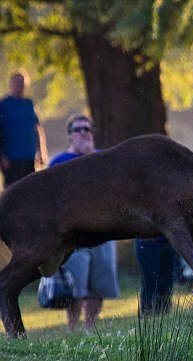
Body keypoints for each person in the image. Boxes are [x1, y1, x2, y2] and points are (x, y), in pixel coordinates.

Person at [49, 114, 119, 331]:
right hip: (73, 234)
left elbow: (114, 188)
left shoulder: (102, 158)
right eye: (78, 129)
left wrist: (90, 156)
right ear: (69, 134)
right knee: (75, 285)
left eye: (87, 129)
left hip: (102, 232)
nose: (82, 133)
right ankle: (72, 329)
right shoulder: (58, 162)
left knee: (98, 285)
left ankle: (91, 327)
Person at [0, 70, 48, 188]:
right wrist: (2, 156)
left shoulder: (29, 104)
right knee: (12, 190)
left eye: (22, 82)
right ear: (11, 84)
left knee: (30, 189)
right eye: (16, 82)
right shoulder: (4, 105)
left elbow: (36, 128)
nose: (19, 85)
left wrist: (40, 152)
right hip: (11, 158)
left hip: (29, 156)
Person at [134, 236, 180, 315]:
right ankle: (147, 316)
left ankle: (165, 315)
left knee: (167, 284)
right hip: (147, 239)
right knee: (150, 283)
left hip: (168, 239)